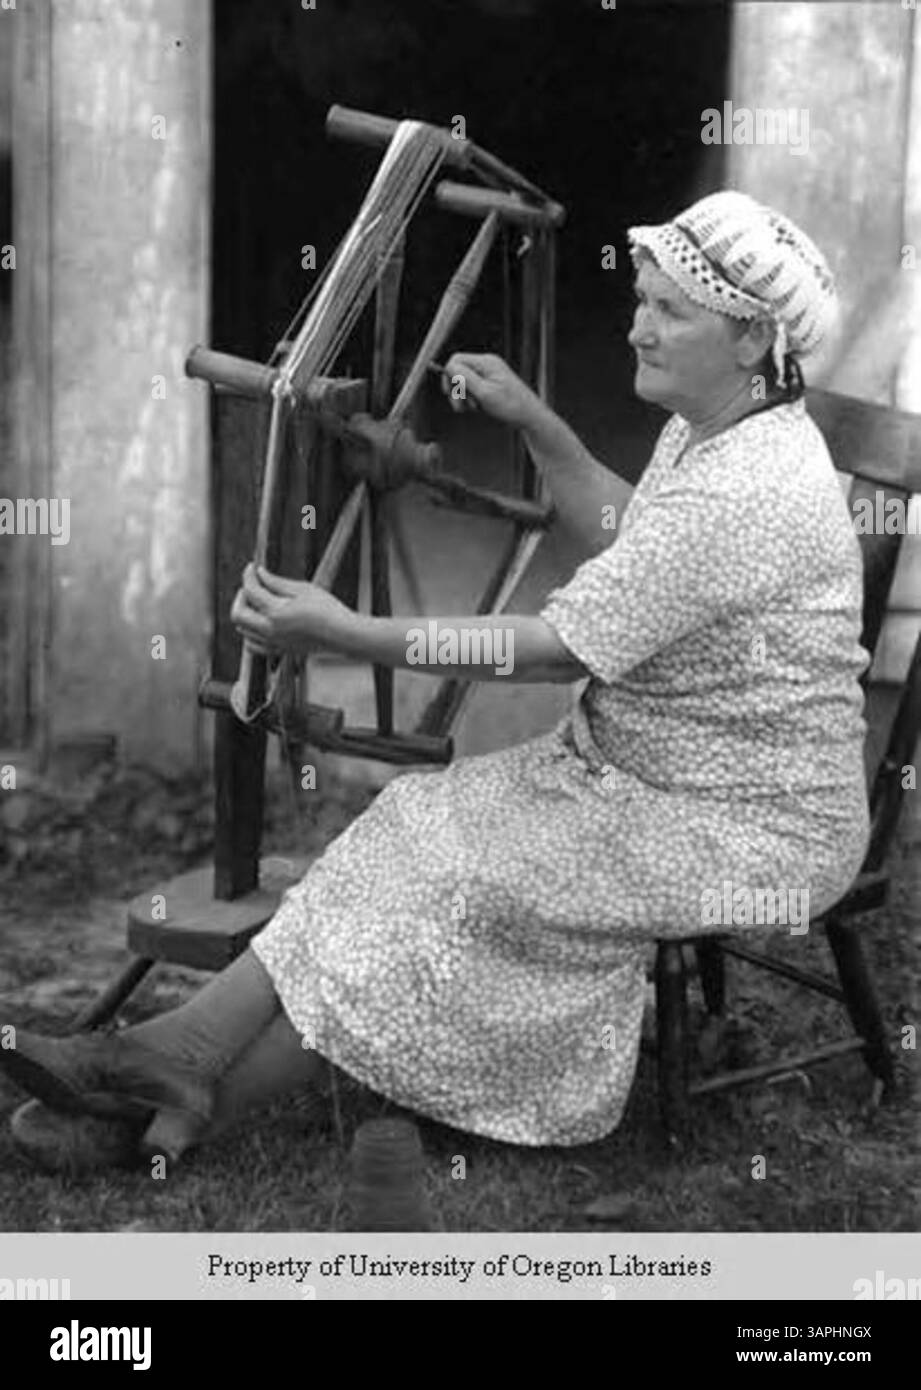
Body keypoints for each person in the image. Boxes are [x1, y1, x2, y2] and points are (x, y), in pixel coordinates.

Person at [0, 190, 870, 1170]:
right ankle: (171, 1061)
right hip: (644, 779)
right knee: (415, 821)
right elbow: (638, 534)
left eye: (670, 310)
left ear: (754, 340)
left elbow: (554, 648)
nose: (637, 324)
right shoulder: (718, 426)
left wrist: (348, 632)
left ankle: (160, 1097)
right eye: (641, 298)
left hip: (748, 828)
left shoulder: (747, 489)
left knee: (463, 885)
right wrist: (537, 422)